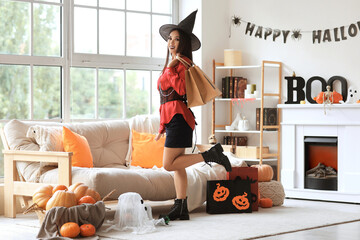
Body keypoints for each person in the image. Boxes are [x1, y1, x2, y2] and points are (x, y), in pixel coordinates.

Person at [155, 10, 232, 221]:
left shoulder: (183, 63)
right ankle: (181, 208)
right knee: (178, 166)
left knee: (169, 164)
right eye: (170, 38)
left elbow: (181, 91)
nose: (172, 42)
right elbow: (165, 99)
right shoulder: (172, 63)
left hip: (180, 119)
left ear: (184, 43)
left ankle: (211, 155)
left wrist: (171, 69)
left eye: (177, 39)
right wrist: (162, 127)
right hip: (174, 120)